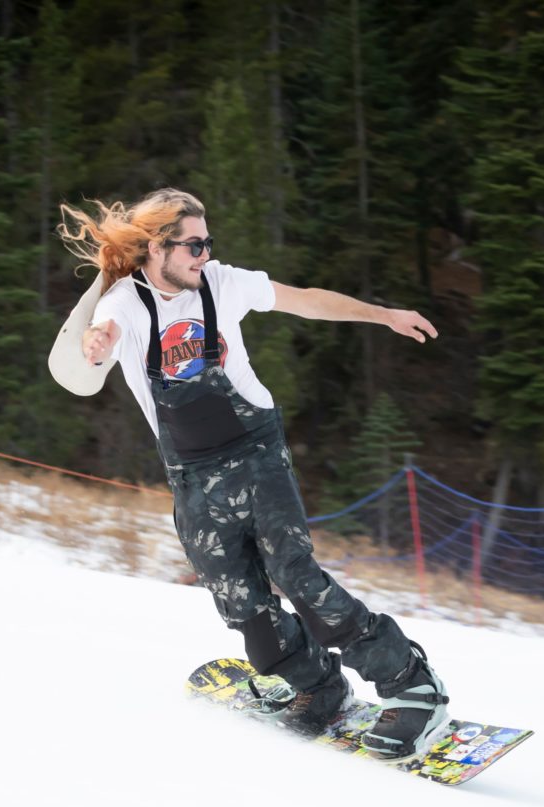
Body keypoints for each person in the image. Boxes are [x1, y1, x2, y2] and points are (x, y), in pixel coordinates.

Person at [47, 188, 450, 761]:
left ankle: (412, 684)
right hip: (190, 471)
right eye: (193, 244)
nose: (205, 254)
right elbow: (104, 332)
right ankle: (318, 686)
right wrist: (96, 341)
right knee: (241, 604)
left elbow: (306, 299)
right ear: (156, 246)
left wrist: (382, 314)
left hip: (255, 451)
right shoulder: (126, 303)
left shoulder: (224, 284)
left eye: (208, 242)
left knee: (296, 572)